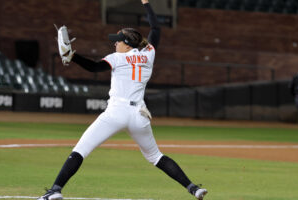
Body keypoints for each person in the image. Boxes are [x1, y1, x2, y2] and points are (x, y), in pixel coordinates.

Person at [38, 1, 208, 200]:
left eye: (118, 40)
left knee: (81, 149)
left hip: (116, 112)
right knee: (156, 157)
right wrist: (147, 4)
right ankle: (193, 188)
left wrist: (71, 56)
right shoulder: (148, 55)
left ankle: (55, 190)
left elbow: (94, 67)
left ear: (127, 43)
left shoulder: (117, 58)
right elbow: (156, 28)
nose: (115, 43)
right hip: (139, 116)